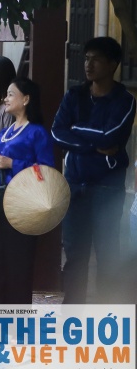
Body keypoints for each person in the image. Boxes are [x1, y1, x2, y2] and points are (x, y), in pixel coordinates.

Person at [51, 36, 136, 304]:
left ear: (113, 64)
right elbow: (57, 132)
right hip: (75, 186)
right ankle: (72, 319)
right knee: (75, 257)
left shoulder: (124, 100)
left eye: (96, 59)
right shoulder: (74, 95)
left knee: (107, 257)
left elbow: (110, 136)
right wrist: (90, 143)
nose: (88, 64)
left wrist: (76, 131)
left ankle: (106, 318)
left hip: (107, 189)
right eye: (86, 58)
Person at [0, 77, 55, 304]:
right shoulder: (6, 132)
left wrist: (13, 164)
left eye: (10, 94)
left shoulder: (37, 133)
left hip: (22, 205)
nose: (6, 98)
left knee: (18, 263)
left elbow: (47, 171)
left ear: (26, 99)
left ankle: (17, 322)